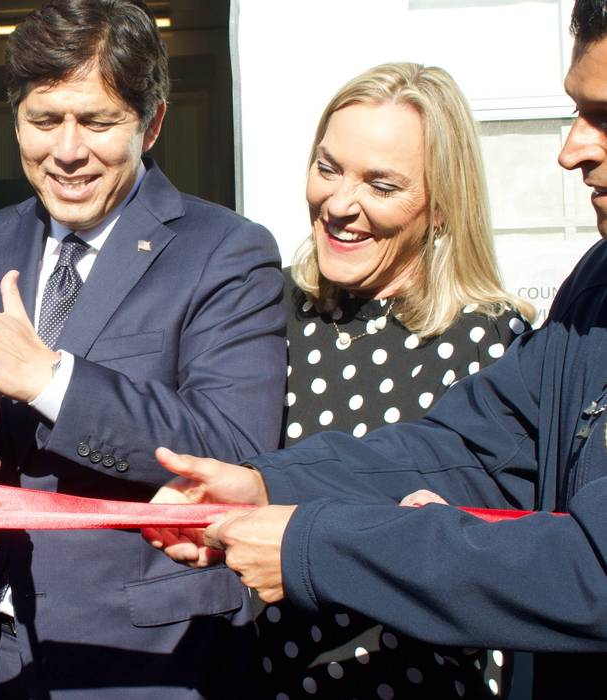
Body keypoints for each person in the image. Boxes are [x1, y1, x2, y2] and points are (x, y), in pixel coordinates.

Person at [144, 0, 607, 694]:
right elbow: (471, 449)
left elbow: (590, 574)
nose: (570, 148)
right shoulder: (594, 293)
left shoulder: (486, 329)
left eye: (604, 115)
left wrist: (312, 546)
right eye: (576, 110)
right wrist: (265, 484)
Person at [0, 0, 285, 695]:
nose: (67, 150)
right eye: (44, 120)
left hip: (151, 656)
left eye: (97, 122)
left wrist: (48, 378)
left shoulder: (227, 251)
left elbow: (233, 448)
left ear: (153, 123)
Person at [263, 62, 534, 697]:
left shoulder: (494, 346)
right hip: (262, 675)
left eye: (380, 186)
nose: (338, 204)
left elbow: (514, 559)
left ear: (439, 208)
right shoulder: (264, 311)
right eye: (328, 169)